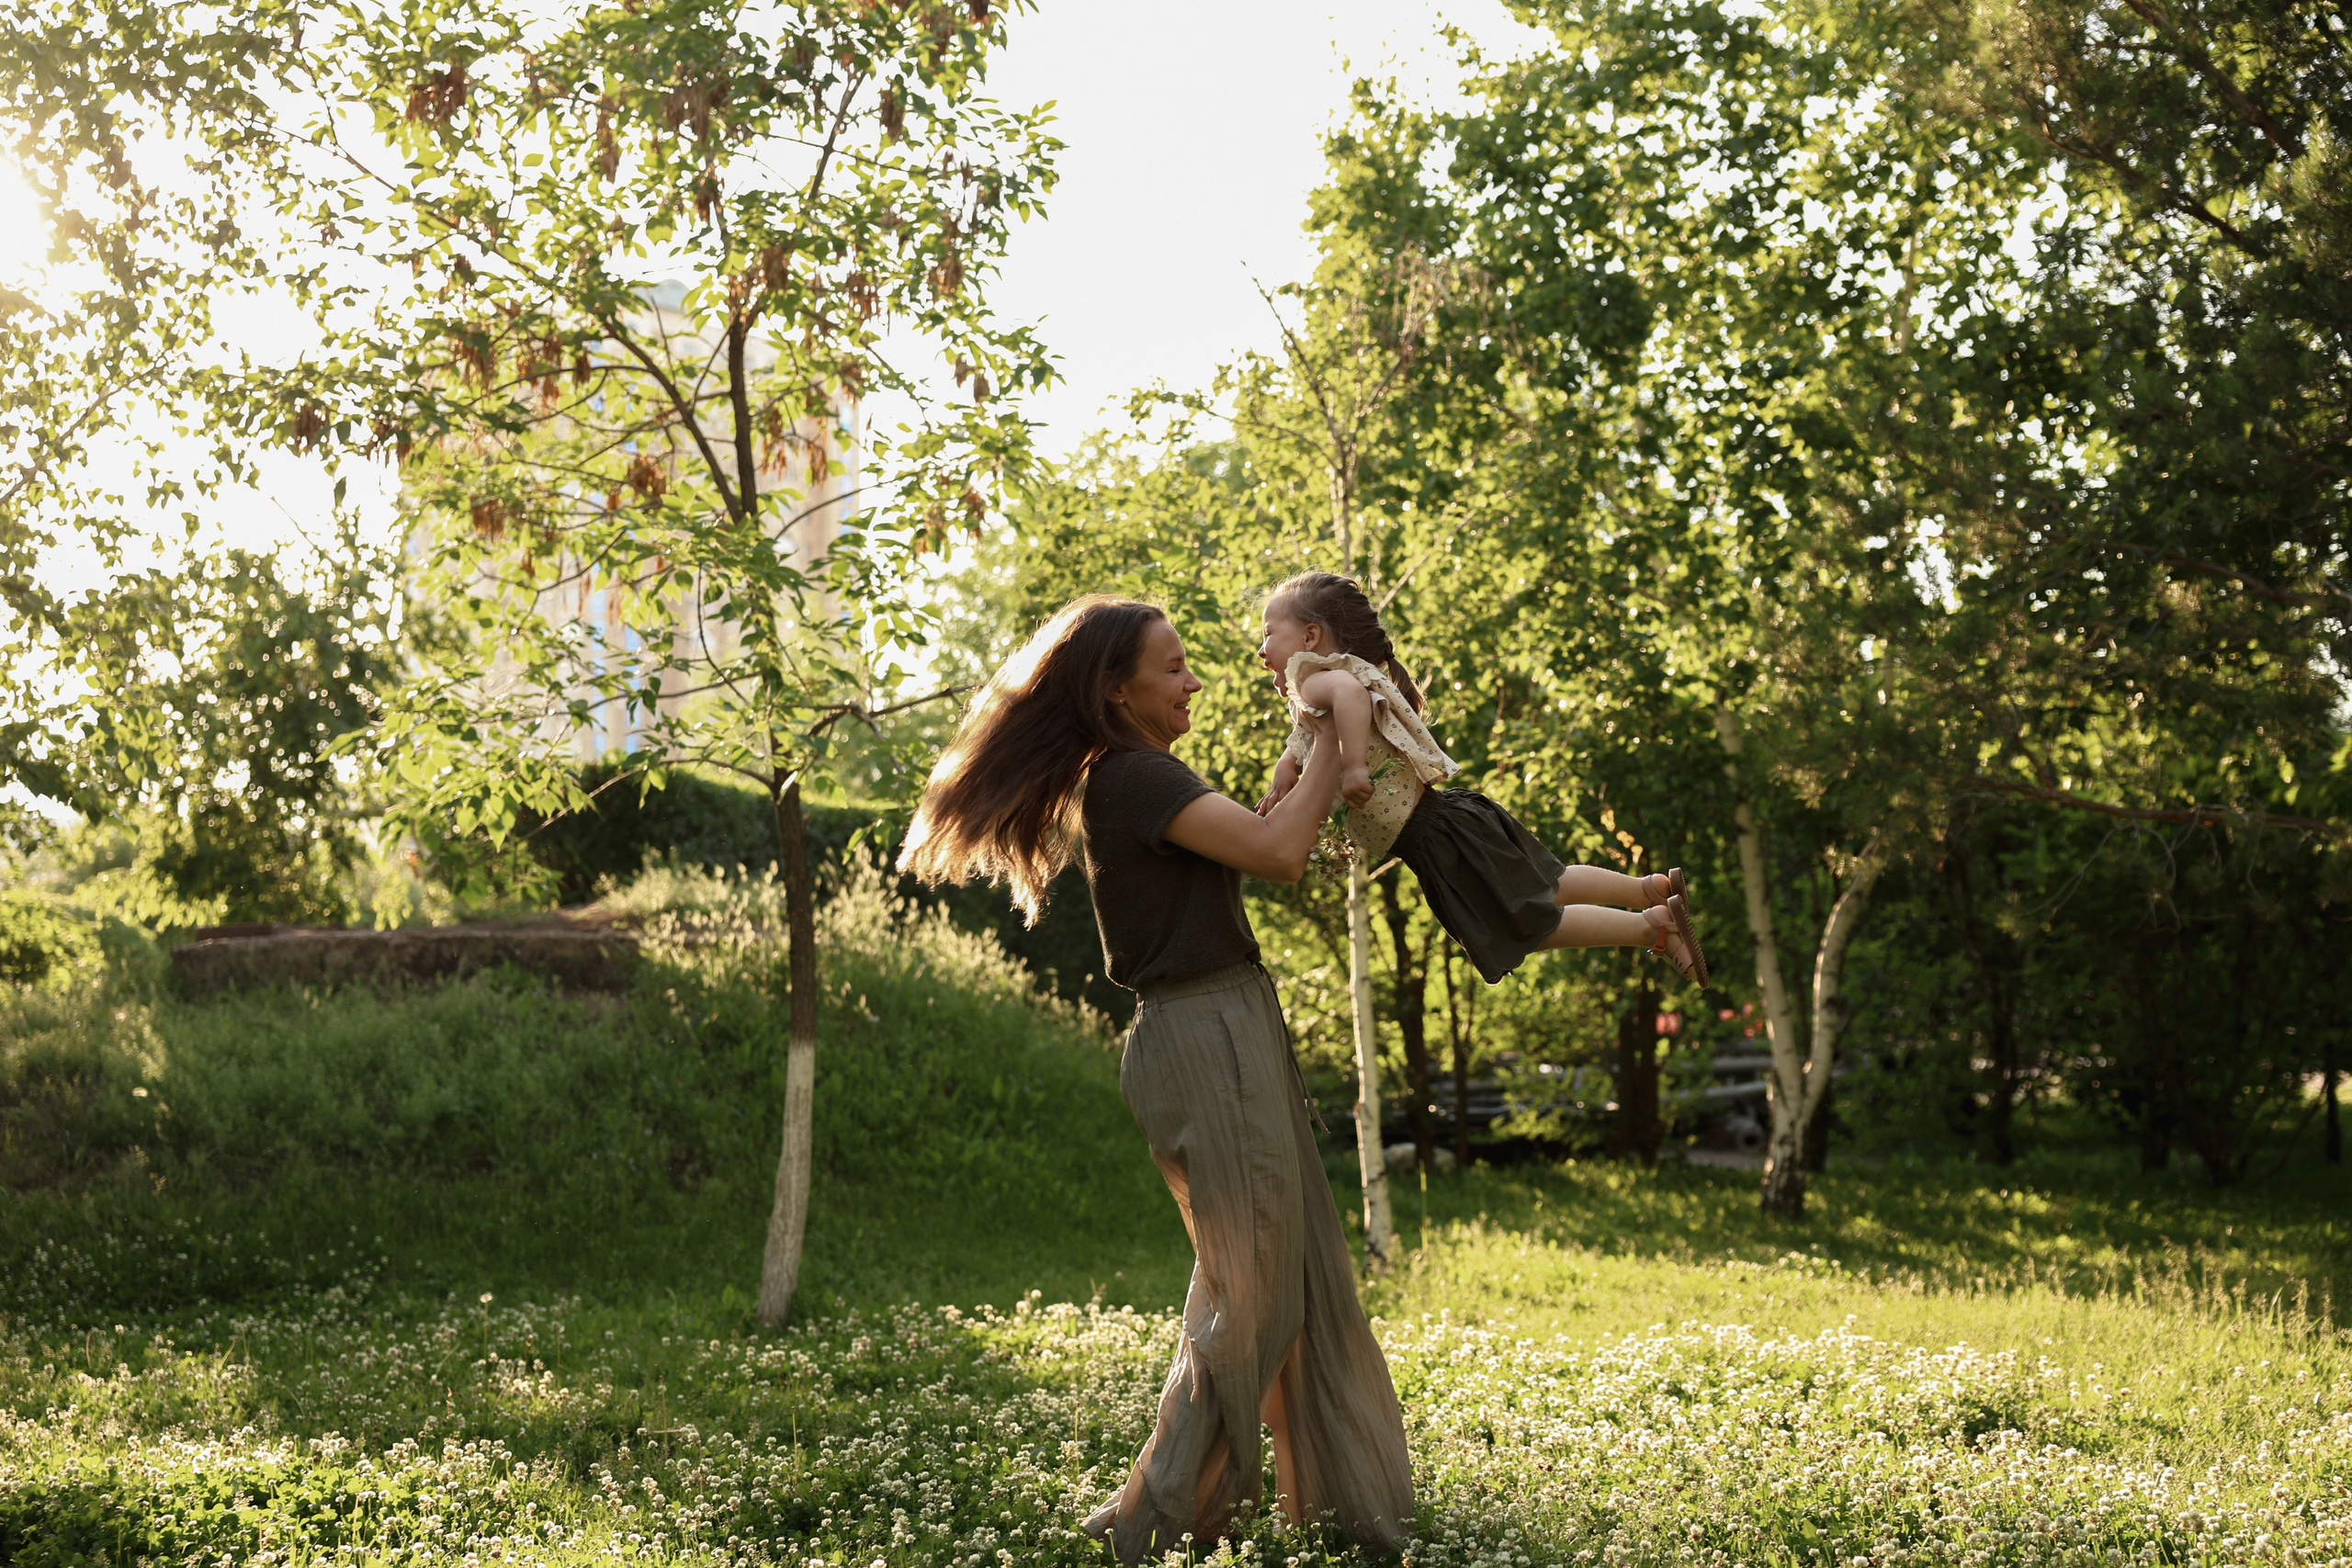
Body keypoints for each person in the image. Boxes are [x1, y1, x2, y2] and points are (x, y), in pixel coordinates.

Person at [898, 595, 1415, 1563]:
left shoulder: (1142, 774)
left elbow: (1261, 839)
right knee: (1252, 1289)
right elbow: (1279, 854)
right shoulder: (1131, 777)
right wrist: (1322, 742)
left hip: (1227, 1023)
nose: (1195, 681)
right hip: (1204, 1032)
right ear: (1113, 688)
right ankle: (1148, 1520)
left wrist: (1303, 761)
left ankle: (1341, 1513)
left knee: (1293, 1277)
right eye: (1172, 667)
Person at [1255, 570, 1707, 987]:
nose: (1261, 650)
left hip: (1436, 840)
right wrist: (1285, 770)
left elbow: (1350, 698)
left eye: (1268, 634)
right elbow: (1307, 739)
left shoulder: (1314, 679)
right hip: (1447, 825)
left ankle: (1653, 924)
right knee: (1550, 886)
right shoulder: (1322, 687)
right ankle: (1652, 892)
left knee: (1528, 926)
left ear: (1310, 636)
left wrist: (1354, 767)